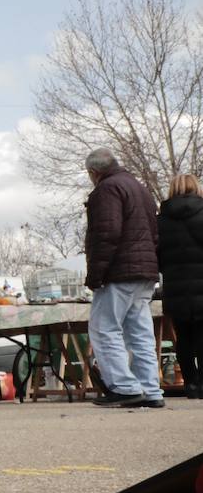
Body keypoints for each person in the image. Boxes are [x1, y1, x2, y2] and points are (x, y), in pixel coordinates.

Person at [84, 148, 164, 408]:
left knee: (104, 329)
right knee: (140, 333)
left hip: (119, 272)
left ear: (93, 172)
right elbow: (154, 234)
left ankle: (125, 387)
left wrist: (96, 275)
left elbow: (106, 234)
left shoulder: (106, 190)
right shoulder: (140, 189)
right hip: (145, 272)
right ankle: (151, 390)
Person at [158, 173, 203, 398]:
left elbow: (158, 256)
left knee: (183, 338)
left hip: (176, 288)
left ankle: (191, 384)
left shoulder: (161, 219)